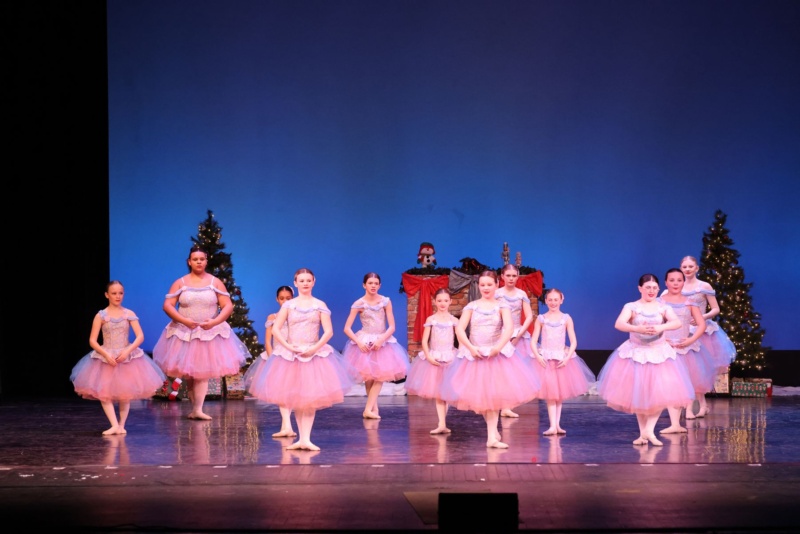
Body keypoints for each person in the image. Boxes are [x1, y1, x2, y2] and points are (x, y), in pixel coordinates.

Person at [245, 268, 353, 450]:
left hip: (313, 354)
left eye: (308, 280)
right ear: (295, 283)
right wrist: (288, 347)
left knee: (309, 399)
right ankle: (301, 439)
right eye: (301, 280)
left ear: (313, 282)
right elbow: (276, 329)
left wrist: (314, 348)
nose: (305, 283)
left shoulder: (319, 304)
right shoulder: (288, 306)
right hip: (291, 354)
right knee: (296, 398)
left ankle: (306, 439)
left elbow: (328, 331)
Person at [440, 270, 541, 448]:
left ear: (496, 285)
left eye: (489, 284)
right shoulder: (472, 306)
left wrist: (498, 348)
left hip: (496, 356)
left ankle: (491, 438)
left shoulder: (502, 306)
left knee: (493, 397)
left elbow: (509, 328)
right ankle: (492, 432)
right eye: (482, 285)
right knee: (481, 399)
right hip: (476, 356)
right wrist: (471, 348)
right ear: (478, 286)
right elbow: (460, 329)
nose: (486, 288)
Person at [153, 245, 250, 420]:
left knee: (202, 374)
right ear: (189, 262)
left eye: (202, 259)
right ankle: (194, 409)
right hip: (184, 333)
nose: (198, 262)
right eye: (195, 259)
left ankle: (198, 409)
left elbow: (227, 305)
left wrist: (214, 322)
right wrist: (184, 320)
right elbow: (167, 305)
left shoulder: (215, 282)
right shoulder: (180, 283)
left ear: (206, 261)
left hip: (208, 333)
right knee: (190, 375)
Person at [596, 274, 694, 446]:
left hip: (658, 354)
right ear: (640, 288)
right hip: (637, 353)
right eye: (648, 287)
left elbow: (676, 322)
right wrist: (637, 328)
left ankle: (649, 430)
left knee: (660, 396)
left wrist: (661, 326)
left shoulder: (663, 307)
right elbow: (619, 323)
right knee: (639, 396)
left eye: (655, 288)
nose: (651, 291)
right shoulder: (632, 306)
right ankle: (643, 435)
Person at [70, 281, 166, 435]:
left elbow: (140, 336)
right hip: (106, 357)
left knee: (124, 393)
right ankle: (114, 424)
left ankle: (121, 425)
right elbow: (92, 340)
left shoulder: (128, 313)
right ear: (107, 295)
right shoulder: (101, 315)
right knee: (104, 392)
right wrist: (105, 354)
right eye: (114, 293)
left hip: (125, 357)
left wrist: (128, 351)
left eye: (120, 293)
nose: (117, 296)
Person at [342, 272, 410, 420]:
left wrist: (381, 340)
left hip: (382, 340)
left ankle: (368, 409)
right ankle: (373, 409)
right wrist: (359, 342)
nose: (373, 286)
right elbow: (347, 328)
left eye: (376, 283)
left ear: (380, 285)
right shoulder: (359, 303)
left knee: (380, 376)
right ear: (364, 285)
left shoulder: (385, 302)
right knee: (369, 378)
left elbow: (392, 326)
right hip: (365, 340)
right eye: (370, 283)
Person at [675, 255, 737, 416]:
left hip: (701, 331)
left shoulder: (704, 286)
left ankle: (701, 405)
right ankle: (690, 405)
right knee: (687, 371)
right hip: (683, 330)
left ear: (696, 268)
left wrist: (701, 317)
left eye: (690, 266)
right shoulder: (677, 286)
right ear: (681, 269)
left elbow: (716, 309)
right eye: (684, 267)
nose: (687, 269)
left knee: (699, 370)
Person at [530, 288, 596, 436]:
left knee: (559, 395)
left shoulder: (566, 318)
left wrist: (567, 358)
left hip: (561, 359)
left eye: (556, 299)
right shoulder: (541, 319)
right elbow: (533, 341)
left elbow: (573, 342)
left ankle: (557, 425)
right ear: (546, 301)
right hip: (546, 359)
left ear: (561, 300)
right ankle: (552, 426)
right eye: (550, 300)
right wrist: (538, 356)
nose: (553, 302)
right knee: (550, 395)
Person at [659, 268, 713, 432]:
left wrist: (690, 339)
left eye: (679, 280)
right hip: (665, 348)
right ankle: (671, 423)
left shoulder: (690, 302)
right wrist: (662, 339)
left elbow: (701, 324)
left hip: (684, 349)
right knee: (667, 385)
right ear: (666, 282)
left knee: (682, 384)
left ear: (683, 282)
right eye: (672, 280)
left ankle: (677, 422)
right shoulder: (660, 302)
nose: (675, 283)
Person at [405, 288, 458, 434]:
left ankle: (443, 422)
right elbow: (424, 340)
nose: (442, 303)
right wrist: (428, 356)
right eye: (439, 300)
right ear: (434, 302)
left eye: (445, 300)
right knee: (439, 392)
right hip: (435, 357)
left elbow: (460, 340)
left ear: (450, 301)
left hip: (450, 357)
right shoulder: (431, 320)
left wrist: (460, 356)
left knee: (446, 392)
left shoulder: (454, 320)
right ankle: (441, 423)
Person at [245, 285, 296, 437]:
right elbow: (268, 341)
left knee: (290, 392)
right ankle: (287, 426)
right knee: (281, 392)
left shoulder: (296, 317)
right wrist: (272, 359)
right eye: (282, 298)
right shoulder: (273, 317)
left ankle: (286, 426)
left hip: (294, 356)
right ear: (277, 299)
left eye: (288, 298)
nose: (285, 301)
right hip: (278, 356)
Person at [495, 263, 539, 418]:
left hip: (518, 334)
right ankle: (499, 405)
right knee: (501, 372)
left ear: (518, 276)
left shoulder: (521, 294)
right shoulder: (497, 293)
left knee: (514, 373)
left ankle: (507, 406)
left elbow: (529, 316)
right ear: (502, 276)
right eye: (508, 275)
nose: (511, 278)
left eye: (514, 276)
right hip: (500, 334)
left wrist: (518, 335)